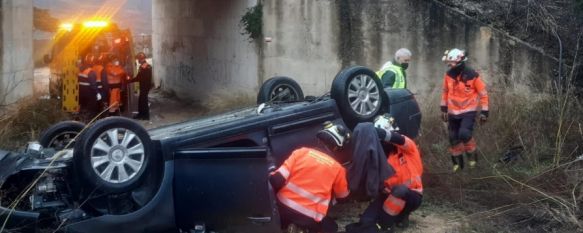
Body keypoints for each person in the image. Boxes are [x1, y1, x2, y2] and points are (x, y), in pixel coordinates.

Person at [269, 122, 351, 233]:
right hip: (309, 217)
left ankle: (289, 226)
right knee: (332, 228)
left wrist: (271, 173)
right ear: (336, 148)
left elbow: (276, 180)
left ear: (319, 140)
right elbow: (343, 196)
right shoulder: (338, 169)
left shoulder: (300, 152)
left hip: (282, 210)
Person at [353, 115, 423, 233]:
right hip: (388, 196)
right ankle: (394, 218)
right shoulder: (381, 156)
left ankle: (388, 224)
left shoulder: (408, 148)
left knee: (399, 191)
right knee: (365, 222)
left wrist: (375, 131)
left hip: (412, 195)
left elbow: (399, 139)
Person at [440, 48, 489, 172]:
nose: (449, 65)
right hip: (452, 112)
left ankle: (473, 159)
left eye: (451, 63)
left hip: (468, 111)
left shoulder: (472, 75)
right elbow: (445, 91)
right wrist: (443, 108)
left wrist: (484, 111)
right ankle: (458, 165)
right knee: (453, 137)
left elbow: (483, 94)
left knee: (464, 134)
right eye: (449, 63)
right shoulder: (448, 75)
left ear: (460, 62)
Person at [128, 52, 153, 120]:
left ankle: (145, 116)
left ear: (141, 59)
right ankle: (141, 114)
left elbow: (139, 78)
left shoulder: (144, 67)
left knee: (143, 101)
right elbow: (140, 77)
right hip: (145, 86)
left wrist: (130, 80)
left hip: (145, 86)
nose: (138, 61)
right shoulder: (147, 66)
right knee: (141, 100)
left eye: (138, 59)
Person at [78, 54, 101, 119]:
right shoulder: (91, 72)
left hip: (81, 93)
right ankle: (91, 121)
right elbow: (93, 85)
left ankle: (82, 119)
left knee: (83, 108)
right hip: (90, 94)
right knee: (92, 110)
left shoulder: (80, 71)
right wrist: (97, 93)